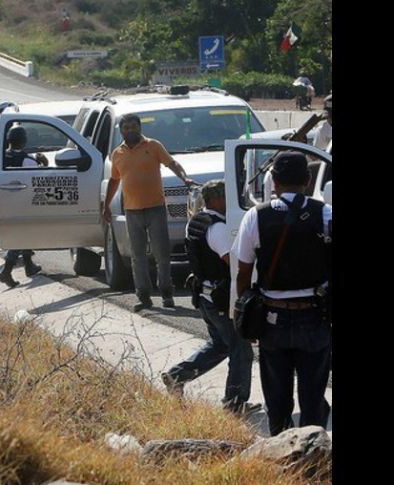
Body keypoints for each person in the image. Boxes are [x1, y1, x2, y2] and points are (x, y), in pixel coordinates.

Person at [235, 151, 332, 436]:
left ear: (273, 181)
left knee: (277, 400)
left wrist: (245, 312)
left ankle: (282, 457)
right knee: (313, 399)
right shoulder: (326, 214)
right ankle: (312, 460)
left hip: (272, 318)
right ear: (308, 179)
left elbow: (243, 271)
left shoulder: (256, 216)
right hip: (315, 317)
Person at [162, 180, 260, 416]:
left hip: (205, 296)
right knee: (241, 349)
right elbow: (234, 263)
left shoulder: (196, 222)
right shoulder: (217, 228)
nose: (231, 202)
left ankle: (177, 376)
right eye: (227, 197)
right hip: (220, 299)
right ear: (216, 199)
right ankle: (235, 404)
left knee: (220, 345)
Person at [103, 113, 196, 311]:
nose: (130, 130)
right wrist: (106, 206)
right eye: (126, 128)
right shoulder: (117, 153)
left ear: (139, 127)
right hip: (132, 211)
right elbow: (114, 180)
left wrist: (184, 178)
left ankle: (166, 294)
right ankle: (143, 297)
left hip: (155, 208)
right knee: (138, 256)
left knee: (161, 254)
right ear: (121, 130)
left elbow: (172, 163)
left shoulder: (153, 146)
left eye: (133, 127)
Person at [0, 125, 44, 288]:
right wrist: (42, 163)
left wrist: (3, 188)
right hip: (23, 202)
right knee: (21, 235)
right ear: (24, 141)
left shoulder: (0, 158)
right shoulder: (28, 160)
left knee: (22, 233)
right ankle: (6, 271)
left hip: (4, 202)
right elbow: (38, 180)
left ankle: (29, 266)